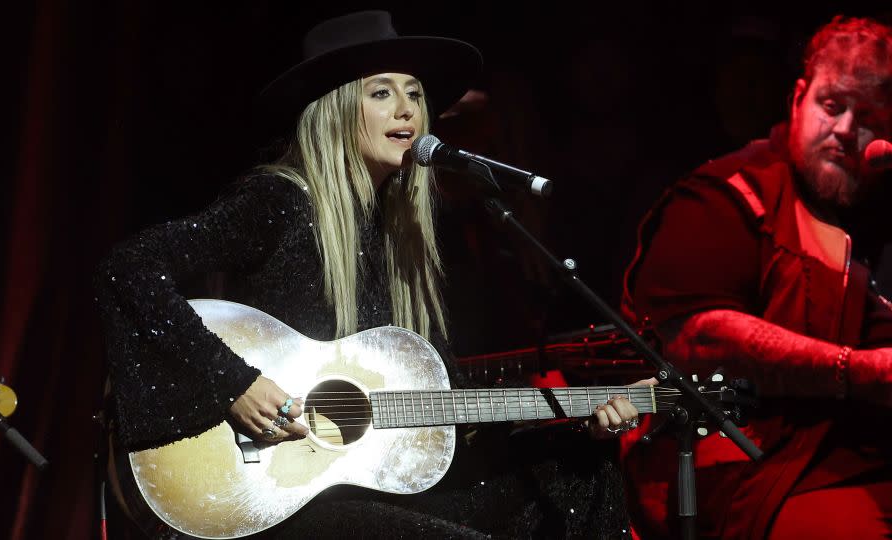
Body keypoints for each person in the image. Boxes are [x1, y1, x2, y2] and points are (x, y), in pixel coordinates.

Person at [95, 11, 642, 539]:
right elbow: (130, 267)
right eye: (381, 92)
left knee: (578, 473)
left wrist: (576, 417)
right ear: (335, 109)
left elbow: (443, 412)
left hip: (357, 492)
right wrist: (235, 382)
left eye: (415, 94)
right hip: (269, 493)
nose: (406, 110)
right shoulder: (281, 201)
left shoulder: (400, 241)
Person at [621, 15, 892, 539]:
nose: (844, 129)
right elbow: (695, 338)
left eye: (870, 118)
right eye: (832, 106)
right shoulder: (725, 196)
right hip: (767, 476)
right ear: (797, 99)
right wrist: (861, 372)